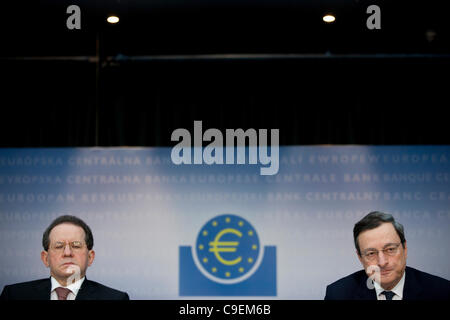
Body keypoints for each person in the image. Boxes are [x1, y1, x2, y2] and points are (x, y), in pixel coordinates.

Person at [325, 211, 450, 300]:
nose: (382, 262)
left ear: (405, 248)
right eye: (371, 253)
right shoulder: (338, 294)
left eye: (390, 249)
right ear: (360, 258)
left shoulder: (442, 292)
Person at [0, 215, 129, 300]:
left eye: (76, 245)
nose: (67, 253)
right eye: (59, 245)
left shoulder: (115, 298)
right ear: (45, 258)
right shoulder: (14, 295)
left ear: (90, 257)